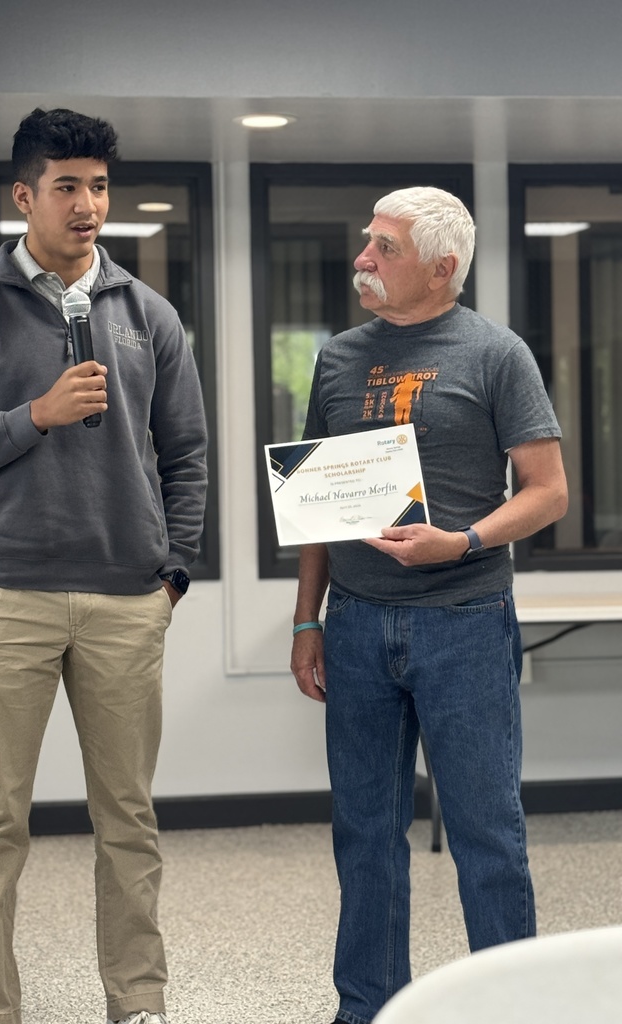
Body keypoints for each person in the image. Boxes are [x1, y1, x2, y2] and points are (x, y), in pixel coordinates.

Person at [0, 107, 208, 1024]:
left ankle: (139, 1004)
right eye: (68, 186)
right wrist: (32, 417)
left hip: (126, 603)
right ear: (24, 195)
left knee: (129, 822)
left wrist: (173, 573)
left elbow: (187, 455)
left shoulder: (147, 313)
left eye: (100, 187)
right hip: (7, 599)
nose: (88, 205)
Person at [290, 187, 568, 1024]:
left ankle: (514, 1010)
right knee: (365, 834)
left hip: (465, 622)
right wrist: (308, 620)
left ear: (443, 268)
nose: (363, 259)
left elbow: (548, 492)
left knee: (488, 836)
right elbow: (318, 502)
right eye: (368, 241)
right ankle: (366, 1008)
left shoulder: (496, 353)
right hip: (357, 624)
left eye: (387, 248)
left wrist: (465, 541)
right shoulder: (337, 359)